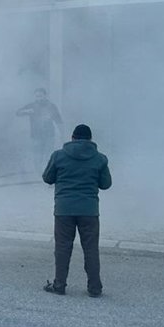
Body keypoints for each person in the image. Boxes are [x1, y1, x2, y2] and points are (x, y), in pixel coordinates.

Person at [42, 124, 112, 298]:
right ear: (90, 139)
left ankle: (59, 285)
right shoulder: (100, 159)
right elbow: (106, 184)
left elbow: (47, 177)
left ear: (72, 137)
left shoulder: (58, 156)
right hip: (89, 211)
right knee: (91, 249)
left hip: (64, 210)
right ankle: (95, 288)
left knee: (63, 248)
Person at [17, 88, 63, 170]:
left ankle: (48, 172)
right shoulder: (32, 106)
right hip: (36, 135)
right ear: (35, 97)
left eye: (40, 96)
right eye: (37, 96)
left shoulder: (51, 106)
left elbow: (59, 121)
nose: (39, 98)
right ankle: (38, 173)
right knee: (37, 155)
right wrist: (26, 111)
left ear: (45, 96)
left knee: (48, 155)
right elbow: (18, 113)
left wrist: (61, 134)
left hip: (49, 135)